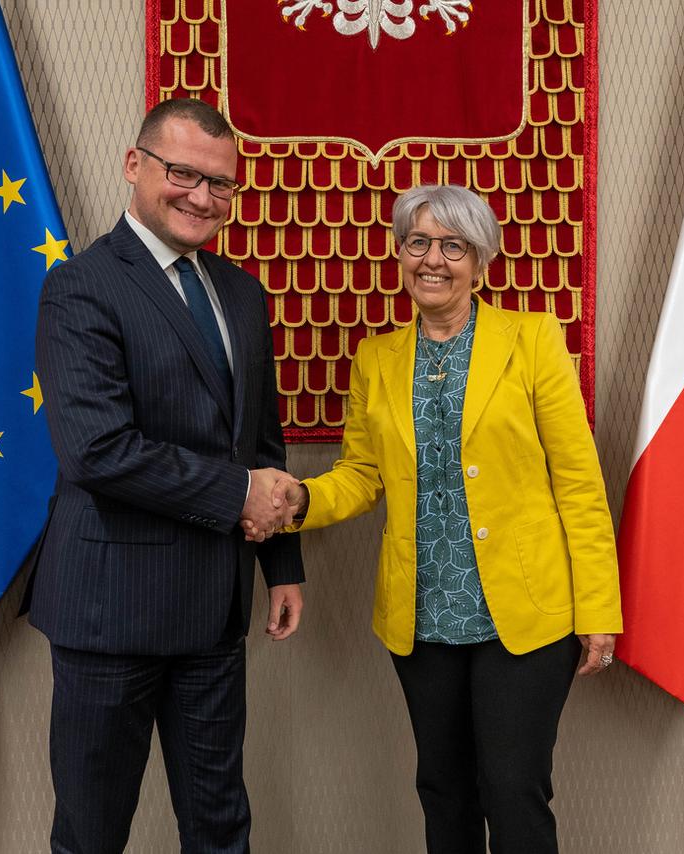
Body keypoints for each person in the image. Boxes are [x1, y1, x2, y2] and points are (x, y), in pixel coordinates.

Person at [261, 184, 621, 854]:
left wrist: (599, 606)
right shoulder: (377, 358)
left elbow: (579, 483)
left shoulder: (533, 338)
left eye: (453, 245)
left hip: (525, 613)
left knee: (514, 789)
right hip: (422, 615)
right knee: (444, 791)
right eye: (419, 242)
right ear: (400, 254)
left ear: (480, 262)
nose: (434, 258)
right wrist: (302, 500)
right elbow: (363, 476)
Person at [32, 97, 304, 854]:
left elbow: (262, 441)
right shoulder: (81, 286)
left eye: (221, 185)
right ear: (135, 166)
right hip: (108, 614)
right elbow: (96, 450)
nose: (202, 197)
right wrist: (237, 495)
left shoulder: (242, 293)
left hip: (216, 609)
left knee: (220, 827)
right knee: (93, 833)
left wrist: (280, 562)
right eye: (183, 173)